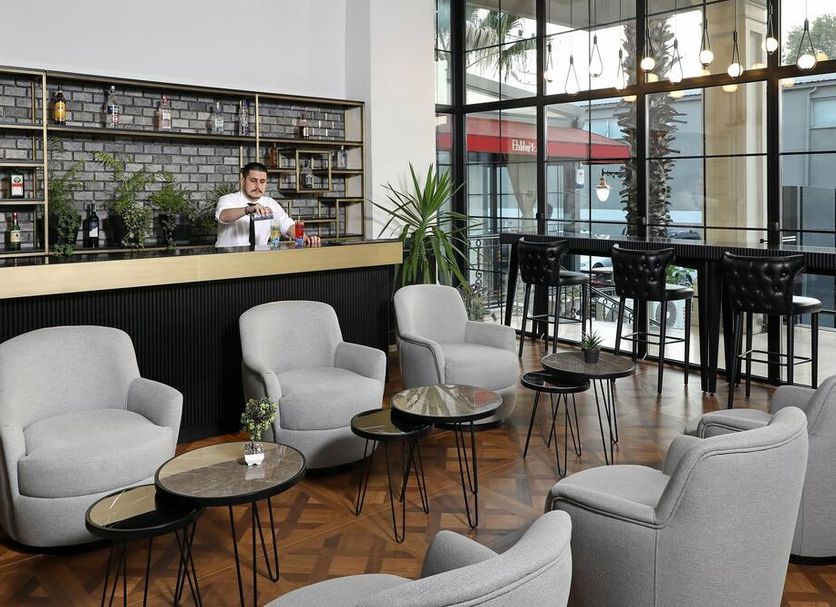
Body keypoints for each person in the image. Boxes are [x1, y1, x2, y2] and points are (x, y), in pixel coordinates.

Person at [215, 161, 321, 248]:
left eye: (262, 181)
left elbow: (288, 225)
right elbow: (223, 216)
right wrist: (248, 209)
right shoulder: (228, 199)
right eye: (253, 181)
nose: (258, 186)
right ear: (243, 181)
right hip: (229, 258)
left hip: (259, 258)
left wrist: (305, 238)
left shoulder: (271, 203)